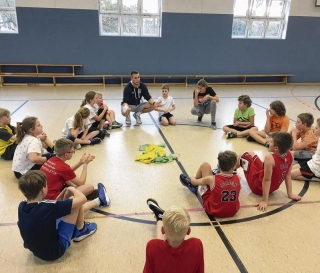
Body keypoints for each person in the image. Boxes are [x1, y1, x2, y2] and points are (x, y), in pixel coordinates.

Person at [17, 170, 98, 261]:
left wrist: (60, 199)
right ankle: (82, 230)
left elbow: (50, 210)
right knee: (74, 203)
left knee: (68, 206)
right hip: (55, 251)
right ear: (43, 189)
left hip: (35, 249)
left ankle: (98, 201)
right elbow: (82, 199)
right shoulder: (48, 207)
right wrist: (73, 189)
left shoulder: (22, 205)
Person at [236, 132, 301, 211]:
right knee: (251, 153)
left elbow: (267, 180)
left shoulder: (269, 158)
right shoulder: (290, 155)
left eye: (271, 142)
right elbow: (288, 175)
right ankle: (231, 169)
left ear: (276, 148)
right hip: (272, 187)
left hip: (258, 187)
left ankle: (228, 171)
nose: (269, 142)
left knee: (244, 155)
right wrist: (290, 194)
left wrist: (264, 201)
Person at [40, 138, 110, 205]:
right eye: (72, 152)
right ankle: (94, 199)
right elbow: (81, 182)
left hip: (41, 197)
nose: (73, 153)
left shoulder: (51, 160)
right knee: (89, 187)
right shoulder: (63, 167)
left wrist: (80, 162)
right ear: (66, 155)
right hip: (53, 201)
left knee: (69, 182)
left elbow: (66, 172)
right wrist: (85, 164)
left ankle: (84, 195)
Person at [144, 199, 204, 273]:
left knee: (158, 245)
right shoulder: (196, 245)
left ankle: (160, 217)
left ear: (162, 230)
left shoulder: (152, 246)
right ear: (188, 231)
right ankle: (160, 216)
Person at [179, 150, 241, 218]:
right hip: (233, 211)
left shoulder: (211, 179)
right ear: (233, 168)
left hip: (213, 210)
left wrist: (192, 177)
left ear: (220, 165)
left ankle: (194, 186)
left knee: (205, 165)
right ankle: (216, 173)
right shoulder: (238, 178)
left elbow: (194, 181)